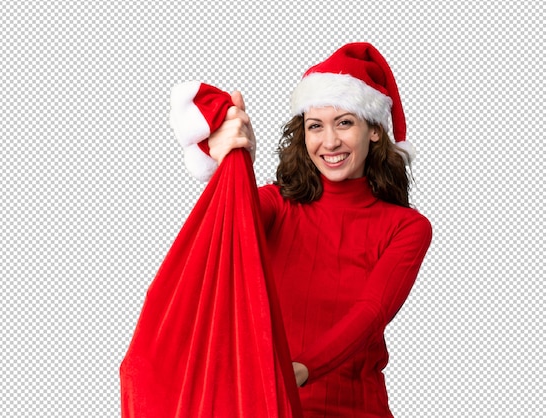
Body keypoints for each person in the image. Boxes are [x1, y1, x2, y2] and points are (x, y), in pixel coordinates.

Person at [172, 43, 432, 418]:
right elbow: (219, 234)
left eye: (345, 122)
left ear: (374, 130)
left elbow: (371, 312)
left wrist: (302, 369)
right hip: (269, 406)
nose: (329, 142)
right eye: (315, 126)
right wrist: (234, 160)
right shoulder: (276, 205)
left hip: (355, 410)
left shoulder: (407, 228)